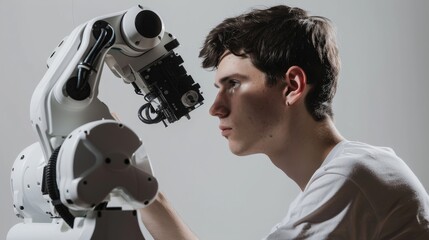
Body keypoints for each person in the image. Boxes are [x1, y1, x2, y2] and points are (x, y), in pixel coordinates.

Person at [140, 4, 429, 239]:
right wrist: (137, 184)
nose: (216, 108)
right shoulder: (352, 175)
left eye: (234, 84)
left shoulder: (351, 178)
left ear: (292, 86)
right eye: (219, 88)